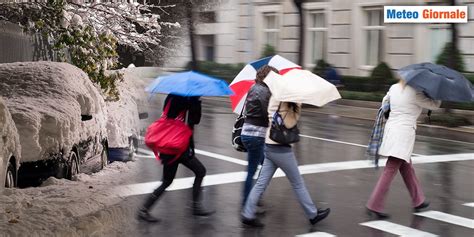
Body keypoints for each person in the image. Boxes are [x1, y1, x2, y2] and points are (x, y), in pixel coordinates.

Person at [241, 98, 330, 228]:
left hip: (269, 146)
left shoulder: (274, 98)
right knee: (298, 183)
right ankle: (313, 215)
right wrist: (297, 106)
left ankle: (247, 214)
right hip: (281, 149)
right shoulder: (285, 104)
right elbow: (289, 124)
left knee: (261, 183)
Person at [366, 78, 441, 219]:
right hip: (402, 135)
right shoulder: (416, 93)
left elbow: (384, 104)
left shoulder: (394, 88)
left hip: (391, 130)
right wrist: (438, 96)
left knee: (407, 167)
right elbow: (433, 105)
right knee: (390, 169)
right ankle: (374, 205)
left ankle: (418, 200)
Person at [137, 94, 214, 222]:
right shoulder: (187, 100)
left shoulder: (171, 97)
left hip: (168, 145)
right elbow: (193, 123)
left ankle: (144, 210)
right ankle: (195, 207)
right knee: (199, 171)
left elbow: (172, 116)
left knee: (168, 181)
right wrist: (196, 103)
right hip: (177, 147)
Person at [240, 65, 278, 208]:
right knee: (254, 169)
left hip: (249, 132)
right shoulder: (263, 91)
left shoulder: (254, 87)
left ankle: (254, 196)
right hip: (256, 135)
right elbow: (266, 112)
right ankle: (248, 202)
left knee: (264, 165)